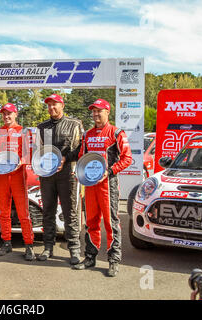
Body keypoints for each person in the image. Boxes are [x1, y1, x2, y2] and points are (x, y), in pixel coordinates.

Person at [73, 99, 132, 277]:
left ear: (107, 112)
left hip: (108, 185)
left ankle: (113, 260)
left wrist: (111, 170)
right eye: (93, 111)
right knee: (91, 222)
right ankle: (90, 257)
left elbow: (127, 159)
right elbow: (82, 157)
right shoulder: (88, 135)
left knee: (111, 223)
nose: (96, 114)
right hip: (90, 185)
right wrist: (79, 172)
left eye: (99, 111)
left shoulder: (116, 133)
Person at [36, 94, 84, 266]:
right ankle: (48, 247)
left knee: (70, 212)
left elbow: (81, 148)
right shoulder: (42, 127)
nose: (51, 108)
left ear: (62, 105)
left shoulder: (74, 124)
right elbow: (38, 150)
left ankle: (74, 249)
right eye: (49, 105)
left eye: (54, 104)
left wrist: (66, 158)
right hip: (47, 175)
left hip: (67, 175)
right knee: (47, 211)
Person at [0, 103, 35, 261]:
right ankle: (6, 242)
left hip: (18, 175)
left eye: (9, 113)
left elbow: (29, 153)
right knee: (3, 211)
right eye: (4, 114)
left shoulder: (24, 131)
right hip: (1, 175)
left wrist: (22, 161)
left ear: (16, 114)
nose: (6, 116)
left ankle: (29, 244)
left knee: (23, 212)